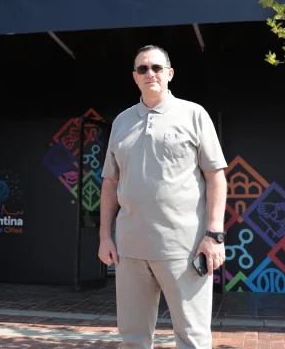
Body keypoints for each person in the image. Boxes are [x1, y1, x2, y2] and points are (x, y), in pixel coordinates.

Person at [99, 45, 227, 349]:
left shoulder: (194, 114)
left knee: (192, 338)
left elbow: (216, 177)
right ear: (134, 77)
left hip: (183, 248)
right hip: (130, 250)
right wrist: (105, 237)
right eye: (142, 69)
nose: (150, 73)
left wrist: (214, 235)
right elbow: (110, 183)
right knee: (132, 339)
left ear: (170, 74)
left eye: (157, 67)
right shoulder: (121, 122)